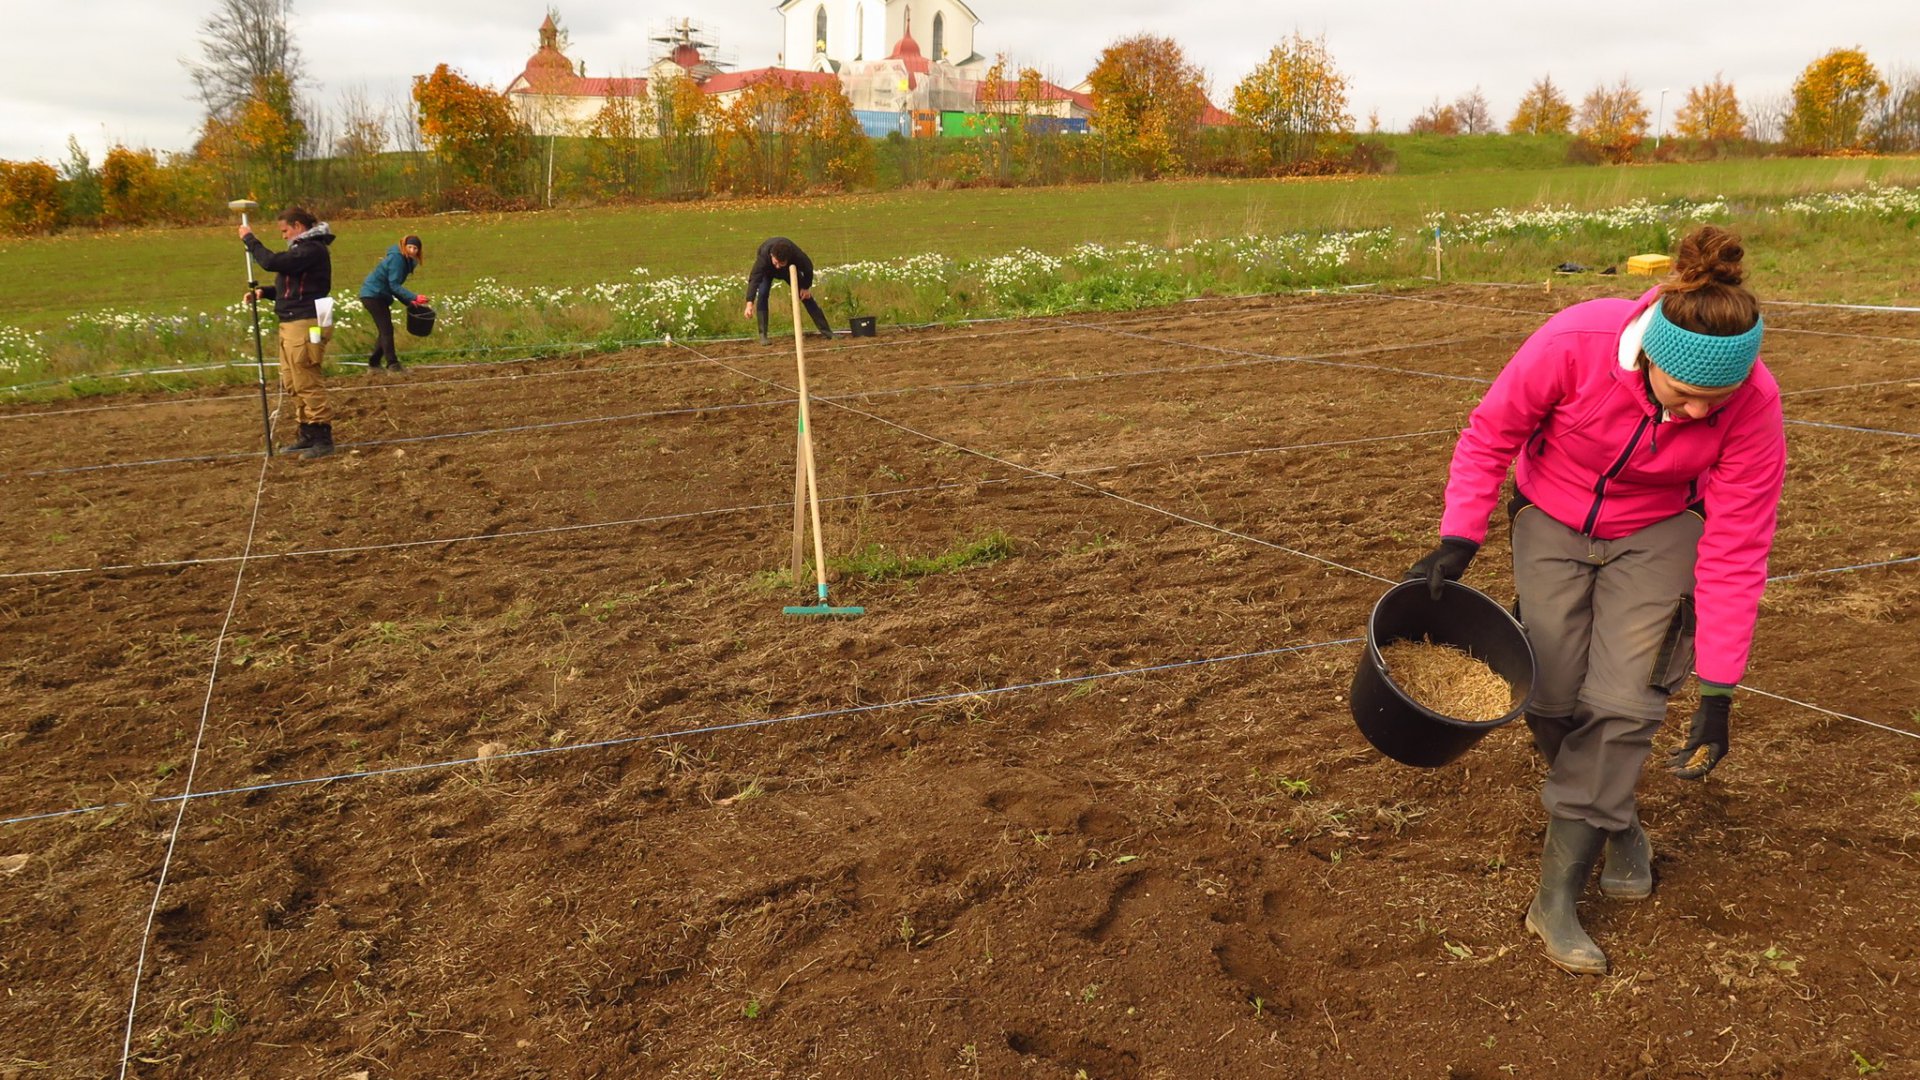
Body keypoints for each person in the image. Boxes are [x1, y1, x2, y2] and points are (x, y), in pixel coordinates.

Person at [1406, 225, 1785, 976]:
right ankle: (1618, 818)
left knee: (1624, 705)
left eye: (1719, 402)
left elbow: (1739, 546)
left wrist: (1718, 686)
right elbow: (1490, 435)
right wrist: (1460, 535)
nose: (1702, 416)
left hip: (1659, 527)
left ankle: (1553, 901)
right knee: (1547, 696)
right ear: (1647, 357)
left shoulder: (1754, 404)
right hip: (1551, 515)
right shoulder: (1573, 340)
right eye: (1686, 398)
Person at [241, 207, 337, 460]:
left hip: (307, 322)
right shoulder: (301, 250)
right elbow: (292, 284)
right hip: (292, 321)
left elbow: (274, 263)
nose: (283, 236)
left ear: (298, 226)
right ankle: (307, 433)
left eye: (285, 230)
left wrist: (250, 240)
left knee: (306, 377)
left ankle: (322, 438)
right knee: (292, 381)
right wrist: (265, 292)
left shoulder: (312, 249)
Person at [744, 237, 834, 345]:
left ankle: (827, 332)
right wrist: (749, 303)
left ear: (787, 259)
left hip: (789, 271)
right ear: (772, 255)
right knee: (763, 293)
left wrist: (805, 287)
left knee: (806, 296)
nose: (777, 267)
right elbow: (754, 279)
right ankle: (763, 336)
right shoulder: (763, 258)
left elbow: (808, 268)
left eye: (781, 263)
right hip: (767, 271)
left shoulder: (796, 255)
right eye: (776, 262)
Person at [358, 234, 428, 374]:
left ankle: (374, 364)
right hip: (373, 294)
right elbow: (394, 285)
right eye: (410, 247)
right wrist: (415, 297)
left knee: (385, 330)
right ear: (404, 246)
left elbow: (392, 287)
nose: (412, 250)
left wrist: (409, 301)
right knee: (386, 330)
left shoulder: (404, 260)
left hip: (375, 294)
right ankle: (393, 365)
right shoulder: (398, 259)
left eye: (415, 248)